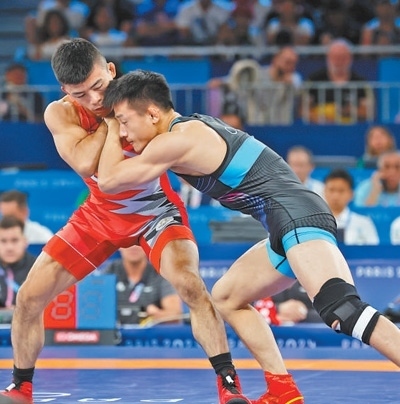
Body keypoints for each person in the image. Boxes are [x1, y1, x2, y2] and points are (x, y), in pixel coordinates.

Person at [98, 69, 400, 403]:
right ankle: (282, 389)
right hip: (284, 222)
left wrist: (107, 123)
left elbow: (109, 180)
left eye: (125, 121)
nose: (123, 133)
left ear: (153, 113)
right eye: (119, 123)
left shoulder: (178, 139)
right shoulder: (188, 128)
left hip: (297, 216)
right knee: (227, 296)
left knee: (342, 310)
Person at [0, 39, 251, 404]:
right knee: (28, 297)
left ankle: (229, 385)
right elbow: (84, 163)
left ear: (111, 70)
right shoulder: (60, 113)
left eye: (99, 87)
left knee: (191, 285)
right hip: (98, 216)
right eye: (80, 94)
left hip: (154, 211)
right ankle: (21, 386)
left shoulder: (142, 99)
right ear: (65, 91)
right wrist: (110, 119)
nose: (94, 100)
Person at [103, 245, 183, 325]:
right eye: (128, 242)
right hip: (113, 331)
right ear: (119, 246)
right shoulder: (109, 272)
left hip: (149, 332)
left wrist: (155, 315)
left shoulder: (160, 274)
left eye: (138, 243)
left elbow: (175, 315)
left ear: (148, 245)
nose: (133, 247)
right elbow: (97, 312)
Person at [302, 38, 375, 124]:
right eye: (335, 57)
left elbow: (369, 112)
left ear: (350, 58)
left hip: (351, 128)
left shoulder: (361, 82)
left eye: (343, 57)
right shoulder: (313, 80)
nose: (339, 61)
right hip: (319, 128)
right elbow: (303, 110)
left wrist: (346, 111)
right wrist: (322, 118)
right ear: (328, 58)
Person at [323, 168, 380, 245]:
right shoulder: (316, 223)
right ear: (324, 191)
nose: (336, 196)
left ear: (351, 194)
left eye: (341, 191)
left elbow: (374, 250)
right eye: (331, 190)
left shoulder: (364, 222)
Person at [0, 216, 36, 310]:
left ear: (25, 242)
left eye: (14, 240)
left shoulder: (37, 268)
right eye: (3, 241)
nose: (9, 247)